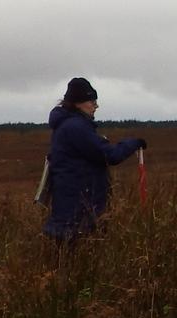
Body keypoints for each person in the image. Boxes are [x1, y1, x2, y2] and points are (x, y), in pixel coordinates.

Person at [42, 77, 146, 241]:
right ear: (77, 103)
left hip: (71, 209)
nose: (96, 105)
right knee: (79, 259)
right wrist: (133, 143)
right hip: (78, 212)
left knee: (70, 259)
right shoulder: (76, 127)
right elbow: (110, 155)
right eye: (91, 101)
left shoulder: (68, 125)